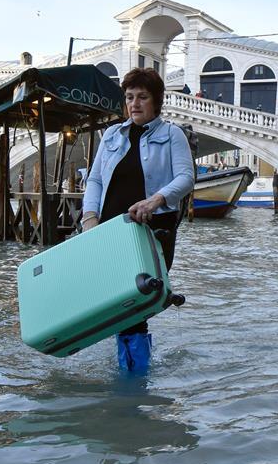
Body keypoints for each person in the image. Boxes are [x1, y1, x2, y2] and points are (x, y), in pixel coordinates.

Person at [82, 68, 195, 373]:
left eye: (142, 97)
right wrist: (89, 217)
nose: (134, 103)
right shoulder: (110, 135)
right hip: (110, 231)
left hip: (153, 230)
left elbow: (186, 178)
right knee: (120, 302)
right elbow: (94, 181)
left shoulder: (172, 134)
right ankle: (132, 373)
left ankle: (133, 381)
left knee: (135, 304)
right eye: (130, 97)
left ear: (156, 101)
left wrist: (156, 199)